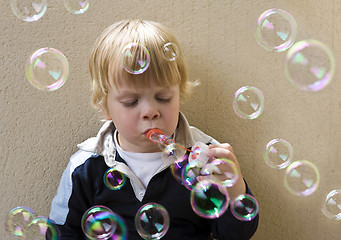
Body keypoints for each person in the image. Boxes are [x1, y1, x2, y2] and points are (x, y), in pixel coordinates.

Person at [48, 19, 259, 240]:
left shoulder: (204, 158)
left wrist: (235, 191)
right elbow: (64, 233)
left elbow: (235, 234)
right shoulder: (86, 166)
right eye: (131, 101)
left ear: (179, 95)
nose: (150, 111)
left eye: (163, 98)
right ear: (105, 107)